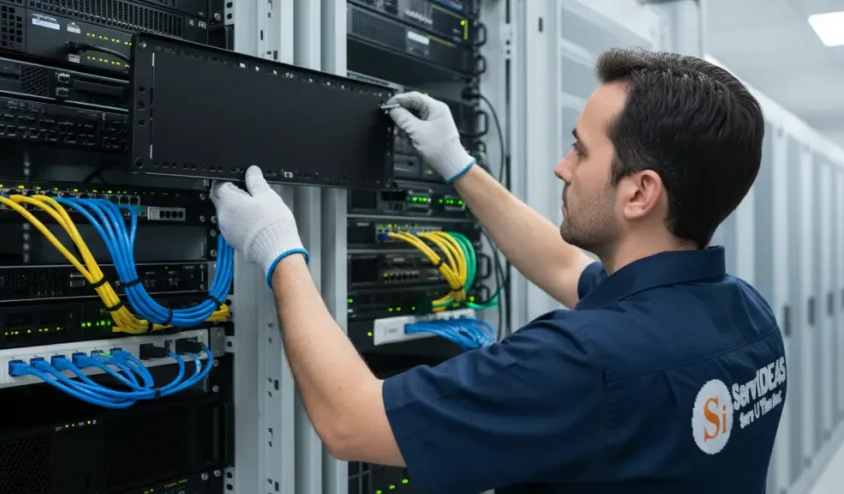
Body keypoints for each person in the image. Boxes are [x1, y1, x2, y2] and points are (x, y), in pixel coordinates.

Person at [210, 47, 785, 493]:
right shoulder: (748, 316)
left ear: (640, 193)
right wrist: (458, 164)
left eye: (581, 150)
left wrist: (278, 249)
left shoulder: (584, 361)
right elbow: (565, 264)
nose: (563, 167)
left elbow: (349, 420)